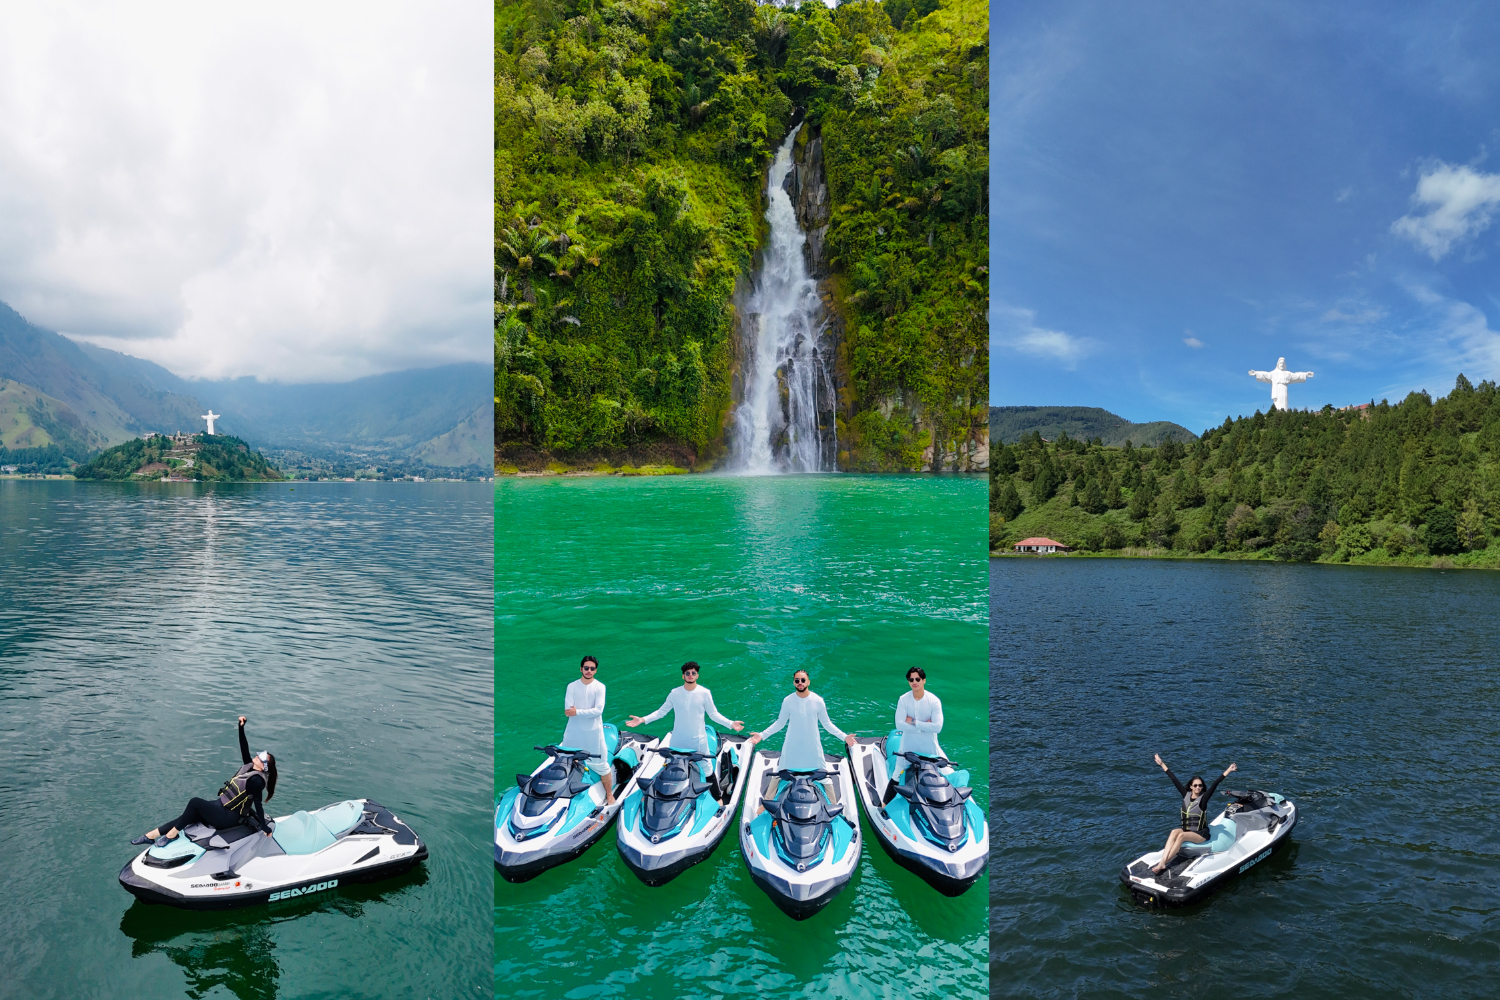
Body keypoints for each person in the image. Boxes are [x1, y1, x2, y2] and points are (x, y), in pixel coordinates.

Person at [132, 716, 278, 847]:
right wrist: (241, 727)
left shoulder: (257, 782)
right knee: (188, 815)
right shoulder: (250, 767)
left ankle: (171, 835)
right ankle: (151, 836)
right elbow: (244, 748)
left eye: (260, 759)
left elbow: (258, 806)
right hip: (221, 805)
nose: (256, 757)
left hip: (228, 817)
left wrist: (264, 828)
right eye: (258, 756)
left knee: (195, 802)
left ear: (262, 767)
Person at [748, 669, 856, 771]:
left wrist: (844, 737)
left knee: (823, 777)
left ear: (808, 682)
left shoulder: (818, 701)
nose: (800, 682)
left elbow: (827, 724)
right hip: (791, 746)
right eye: (797, 680)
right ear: (794, 683)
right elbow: (780, 723)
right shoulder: (787, 701)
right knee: (780, 774)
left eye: (803, 680)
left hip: (813, 747)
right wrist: (762, 735)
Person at [627, 661, 743, 754]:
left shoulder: (705, 693)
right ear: (683, 676)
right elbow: (661, 712)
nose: (690, 675)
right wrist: (642, 719)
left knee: (707, 771)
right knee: (673, 768)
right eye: (687, 673)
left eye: (693, 673)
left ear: (697, 675)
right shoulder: (674, 693)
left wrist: (730, 723)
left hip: (698, 741)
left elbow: (713, 715)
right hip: (678, 739)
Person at [1150, 753, 1236, 874]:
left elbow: (1215, 784)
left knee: (1181, 836)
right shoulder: (1186, 795)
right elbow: (1173, 779)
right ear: (1191, 786)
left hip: (1201, 834)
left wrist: (1228, 770)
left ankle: (1163, 863)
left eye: (1200, 786)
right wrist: (1161, 763)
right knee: (1174, 832)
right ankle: (1163, 861)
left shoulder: (1204, 799)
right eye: (1195, 785)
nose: (1198, 787)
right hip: (1189, 830)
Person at [563, 655, 614, 805]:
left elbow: (598, 711)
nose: (589, 671)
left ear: (595, 671)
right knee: (567, 761)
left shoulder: (600, 687)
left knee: (601, 765)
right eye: (586, 668)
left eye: (592, 669)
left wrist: (577, 712)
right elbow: (567, 710)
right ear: (581, 669)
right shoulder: (572, 686)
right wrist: (583, 712)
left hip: (593, 734)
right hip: (573, 732)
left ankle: (609, 794)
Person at [892, 666, 944, 780]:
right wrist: (924, 728)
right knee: (896, 776)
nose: (914, 682)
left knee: (935, 778)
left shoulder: (934, 701)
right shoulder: (903, 699)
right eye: (911, 680)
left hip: (929, 750)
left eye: (917, 679)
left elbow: (937, 727)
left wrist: (913, 722)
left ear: (924, 680)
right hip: (907, 747)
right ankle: (886, 799)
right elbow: (899, 724)